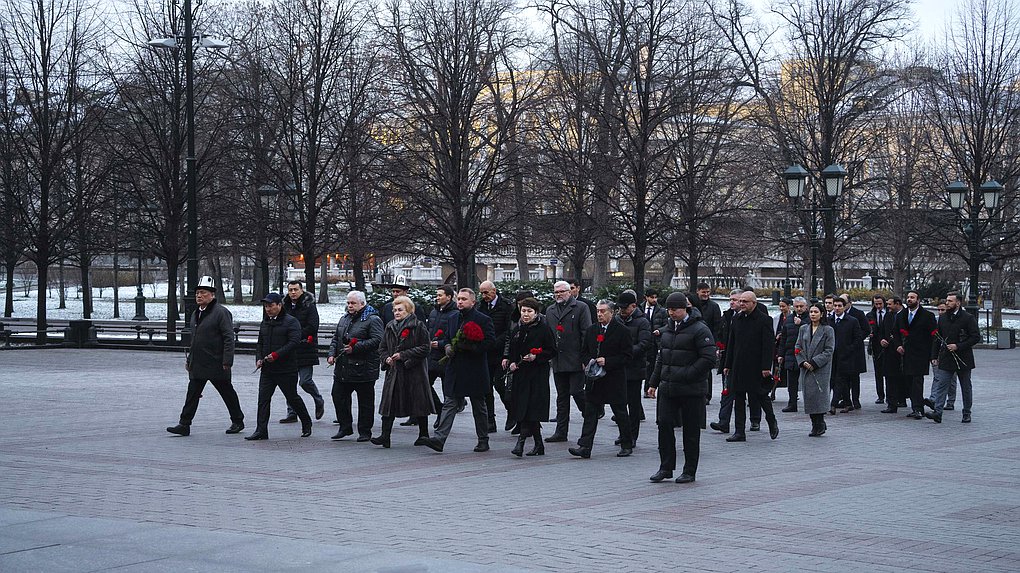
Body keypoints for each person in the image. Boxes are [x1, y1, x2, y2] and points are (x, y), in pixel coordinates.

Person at [647, 292, 716, 484]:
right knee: (665, 426)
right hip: (668, 388)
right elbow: (662, 358)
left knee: (691, 432)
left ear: (685, 309)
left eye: (675, 309)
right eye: (669, 309)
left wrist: (687, 374)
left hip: (691, 389)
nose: (671, 313)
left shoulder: (700, 329)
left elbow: (709, 358)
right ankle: (665, 467)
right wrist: (653, 383)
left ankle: (689, 470)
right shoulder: (668, 329)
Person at [167, 276, 244, 437]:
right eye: (197, 293)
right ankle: (184, 424)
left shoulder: (221, 313)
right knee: (192, 393)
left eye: (203, 293)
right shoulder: (196, 313)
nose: (199, 296)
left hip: (216, 362)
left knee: (227, 392)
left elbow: (229, 338)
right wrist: (190, 360)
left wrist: (227, 360)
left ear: (212, 295)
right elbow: (195, 340)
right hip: (199, 362)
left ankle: (238, 420)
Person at [421, 288, 496, 453]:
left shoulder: (483, 319)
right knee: (450, 402)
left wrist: (469, 346)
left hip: (474, 369)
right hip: (455, 368)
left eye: (464, 299)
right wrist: (446, 345)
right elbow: (447, 337)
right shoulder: (453, 317)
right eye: (459, 299)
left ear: (473, 302)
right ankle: (439, 439)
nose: (460, 302)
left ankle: (483, 439)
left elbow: (490, 343)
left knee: (479, 406)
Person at [569, 300, 634, 458]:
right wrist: (588, 362)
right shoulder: (592, 330)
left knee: (620, 412)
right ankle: (585, 446)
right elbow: (584, 351)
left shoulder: (622, 331)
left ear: (612, 312)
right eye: (598, 311)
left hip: (614, 378)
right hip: (595, 379)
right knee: (590, 412)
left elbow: (627, 356)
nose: (599, 314)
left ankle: (627, 443)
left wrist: (608, 361)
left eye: (603, 311)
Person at [245, 292, 312, 440]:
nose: (268, 309)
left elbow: (293, 342)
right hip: (268, 370)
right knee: (263, 399)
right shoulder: (265, 322)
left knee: (292, 397)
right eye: (266, 306)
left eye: (271, 306)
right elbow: (260, 343)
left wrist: (276, 355)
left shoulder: (291, 321)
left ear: (279, 306)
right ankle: (261, 430)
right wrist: (259, 358)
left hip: (286, 369)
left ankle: (306, 422)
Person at [373, 296, 435, 447]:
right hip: (394, 372)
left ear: (409, 310)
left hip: (414, 371)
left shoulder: (418, 326)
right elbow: (382, 347)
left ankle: (423, 434)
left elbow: (425, 347)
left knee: (418, 403)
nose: (396, 312)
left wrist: (404, 355)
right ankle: (385, 436)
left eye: (400, 310)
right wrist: (386, 358)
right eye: (394, 310)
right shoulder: (390, 326)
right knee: (389, 404)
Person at [502, 297, 557, 456]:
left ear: (536, 313)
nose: (525, 314)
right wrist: (511, 361)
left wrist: (536, 357)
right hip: (521, 374)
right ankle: (539, 445)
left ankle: (521, 444)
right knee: (525, 409)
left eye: (529, 311)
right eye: (523, 311)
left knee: (530, 409)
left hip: (537, 375)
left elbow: (551, 350)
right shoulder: (517, 328)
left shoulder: (543, 328)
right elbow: (513, 348)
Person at [327, 291, 384, 441]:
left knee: (365, 402)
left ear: (362, 304)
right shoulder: (344, 318)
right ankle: (345, 427)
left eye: (353, 303)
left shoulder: (373, 319)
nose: (349, 306)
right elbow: (336, 338)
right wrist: (331, 354)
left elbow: (378, 340)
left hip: (363, 368)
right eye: (348, 303)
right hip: (343, 368)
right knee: (338, 396)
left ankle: (365, 431)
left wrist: (356, 347)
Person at [723, 291, 778, 441]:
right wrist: (727, 364)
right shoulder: (737, 319)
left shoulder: (764, 320)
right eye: (740, 301)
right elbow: (731, 343)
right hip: (738, 366)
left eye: (745, 301)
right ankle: (739, 431)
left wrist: (766, 366)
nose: (742, 304)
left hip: (756, 366)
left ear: (754, 303)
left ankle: (771, 421)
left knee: (761, 396)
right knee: (738, 398)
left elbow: (768, 346)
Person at [545, 280, 593, 442]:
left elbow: (586, 333)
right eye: (556, 292)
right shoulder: (550, 310)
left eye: (562, 291)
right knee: (562, 396)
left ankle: (590, 414)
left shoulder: (580, 307)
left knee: (577, 391)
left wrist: (585, 357)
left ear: (570, 292)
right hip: (558, 359)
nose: (558, 294)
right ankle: (561, 431)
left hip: (576, 358)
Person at [924, 292, 979, 423]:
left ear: (958, 303)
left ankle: (966, 412)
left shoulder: (968, 318)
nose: (947, 303)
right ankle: (938, 412)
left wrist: (958, 346)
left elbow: (975, 337)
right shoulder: (942, 318)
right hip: (946, 357)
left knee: (966, 386)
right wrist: (934, 356)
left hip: (963, 358)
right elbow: (937, 338)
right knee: (942, 384)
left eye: (950, 301)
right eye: (947, 300)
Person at [279, 281, 325, 424]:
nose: (293, 292)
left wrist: (296, 335)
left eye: (295, 289)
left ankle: (318, 399)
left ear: (301, 290)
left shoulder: (309, 305)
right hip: (289, 349)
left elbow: (313, 326)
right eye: (290, 290)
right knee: (289, 383)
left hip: (305, 348)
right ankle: (292, 412)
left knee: (305, 381)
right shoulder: (284, 305)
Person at [892, 291, 937, 419]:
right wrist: (898, 345)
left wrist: (932, 355)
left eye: (912, 297)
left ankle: (918, 408)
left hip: (921, 354)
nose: (909, 299)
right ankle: (917, 404)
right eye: (908, 297)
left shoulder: (927, 316)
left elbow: (934, 336)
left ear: (918, 300)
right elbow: (895, 332)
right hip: (906, 354)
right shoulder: (902, 315)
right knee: (909, 381)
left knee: (917, 381)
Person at [616, 291, 652, 446]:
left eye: (626, 308)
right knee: (619, 404)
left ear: (634, 306)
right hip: (618, 368)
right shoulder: (617, 320)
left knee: (633, 404)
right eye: (620, 308)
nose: (622, 311)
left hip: (634, 368)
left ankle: (632, 436)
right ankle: (623, 433)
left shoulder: (642, 321)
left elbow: (644, 343)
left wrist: (627, 352)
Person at [419, 285, 457, 428]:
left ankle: (445, 420)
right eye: (437, 295)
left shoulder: (455, 313)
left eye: (440, 295)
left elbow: (454, 335)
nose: (437, 297)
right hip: (431, 356)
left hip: (445, 357)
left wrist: (440, 344)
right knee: (424, 385)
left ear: (449, 297)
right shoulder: (434, 311)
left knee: (448, 390)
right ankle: (439, 408)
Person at [478, 280, 514, 432]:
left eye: (486, 292)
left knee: (499, 384)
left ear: (494, 291)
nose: (484, 296)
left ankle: (511, 411)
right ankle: (490, 420)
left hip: (500, 353)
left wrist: (496, 342)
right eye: (481, 293)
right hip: (486, 353)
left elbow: (509, 329)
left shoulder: (506, 306)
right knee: (486, 388)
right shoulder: (481, 306)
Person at [795, 302, 835, 436]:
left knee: (819, 396)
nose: (813, 314)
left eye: (816, 312)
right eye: (811, 312)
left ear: (822, 314)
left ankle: (820, 423)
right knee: (809, 397)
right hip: (806, 368)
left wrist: (814, 362)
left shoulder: (828, 330)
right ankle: (814, 423)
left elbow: (829, 350)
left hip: (820, 368)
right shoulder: (803, 329)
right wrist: (803, 361)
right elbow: (797, 346)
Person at [830, 297, 864, 414]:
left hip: (846, 357)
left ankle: (833, 405)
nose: (837, 308)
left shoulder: (852, 321)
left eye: (839, 306)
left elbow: (858, 338)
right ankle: (848, 403)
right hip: (832, 356)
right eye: (835, 306)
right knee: (839, 381)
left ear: (844, 307)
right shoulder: (829, 320)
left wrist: (849, 349)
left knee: (839, 380)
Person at [690, 282, 722, 401]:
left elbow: (717, 326)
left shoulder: (714, 306)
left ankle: (707, 394)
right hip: (694, 340)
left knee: (707, 369)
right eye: (704, 292)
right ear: (698, 291)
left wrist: (714, 343)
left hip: (709, 341)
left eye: (708, 292)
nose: (706, 294)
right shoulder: (693, 305)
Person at [839, 293, 870, 409]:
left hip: (855, 350)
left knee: (854, 377)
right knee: (843, 377)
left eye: (844, 303)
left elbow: (866, 329)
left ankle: (855, 400)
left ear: (849, 303)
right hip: (843, 350)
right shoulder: (837, 314)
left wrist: (856, 339)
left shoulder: (858, 314)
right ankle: (845, 399)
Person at [777, 297, 808, 412]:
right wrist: (781, 354)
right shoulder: (789, 319)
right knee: (792, 382)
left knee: (807, 381)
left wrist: (802, 324)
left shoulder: (811, 318)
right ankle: (792, 403)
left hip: (806, 355)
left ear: (806, 307)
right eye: (797, 306)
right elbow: (784, 338)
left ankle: (810, 404)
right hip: (791, 354)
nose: (799, 309)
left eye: (801, 306)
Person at [880, 297, 909, 413]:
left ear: (897, 304)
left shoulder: (906, 315)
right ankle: (891, 403)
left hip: (902, 352)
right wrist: (882, 340)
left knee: (903, 378)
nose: (887, 306)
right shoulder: (888, 316)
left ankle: (902, 399)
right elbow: (882, 331)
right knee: (890, 378)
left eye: (890, 304)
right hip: (889, 352)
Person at [641, 288, 669, 397]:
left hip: (654, 341)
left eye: (655, 297)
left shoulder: (661, 311)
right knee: (645, 366)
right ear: (646, 297)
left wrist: (659, 331)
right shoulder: (640, 308)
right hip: (643, 340)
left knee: (652, 366)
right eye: (652, 297)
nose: (654, 300)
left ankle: (649, 388)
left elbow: (667, 325)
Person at [866, 295, 889, 404]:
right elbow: (868, 328)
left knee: (889, 373)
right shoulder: (870, 315)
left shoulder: (889, 314)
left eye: (880, 303)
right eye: (876, 304)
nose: (878, 306)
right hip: (876, 346)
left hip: (888, 345)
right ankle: (880, 395)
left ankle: (890, 395)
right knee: (878, 372)